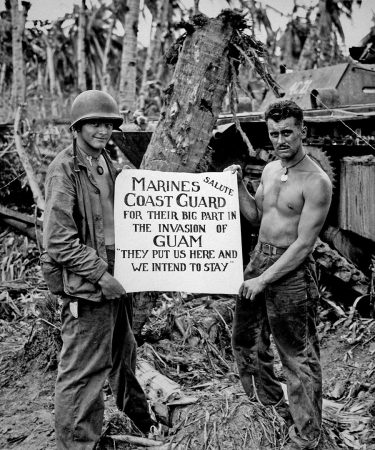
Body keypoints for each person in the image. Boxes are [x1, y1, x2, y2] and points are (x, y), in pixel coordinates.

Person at [42, 90, 154, 449]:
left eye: (108, 124)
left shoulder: (106, 162)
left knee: (124, 354)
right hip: (89, 285)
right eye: (94, 123)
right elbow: (58, 241)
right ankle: (78, 444)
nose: (102, 130)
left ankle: (136, 427)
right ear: (77, 127)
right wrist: (101, 276)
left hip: (117, 276)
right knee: (82, 372)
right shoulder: (63, 169)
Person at [225, 100, 332, 450]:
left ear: (302, 130)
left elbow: (303, 245)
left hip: (291, 272)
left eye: (287, 132)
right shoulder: (271, 170)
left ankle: (307, 436)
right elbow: (255, 217)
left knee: (296, 355)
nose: (281, 139)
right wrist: (237, 184)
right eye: (274, 133)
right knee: (246, 340)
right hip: (259, 259)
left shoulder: (316, 181)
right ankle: (269, 407)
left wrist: (264, 279)